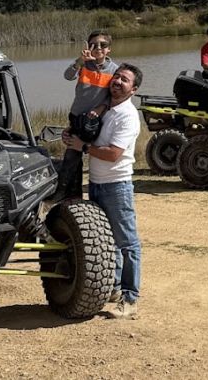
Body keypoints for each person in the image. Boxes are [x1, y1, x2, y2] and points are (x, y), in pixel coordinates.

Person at [62, 62, 143, 319]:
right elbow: (92, 135)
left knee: (127, 243)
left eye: (125, 80)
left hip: (117, 186)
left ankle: (130, 298)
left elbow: (113, 154)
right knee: (109, 241)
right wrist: (73, 135)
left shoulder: (128, 115)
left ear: (134, 89)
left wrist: (83, 147)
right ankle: (115, 288)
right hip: (97, 183)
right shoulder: (107, 109)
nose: (118, 82)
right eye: (116, 77)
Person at [56, 31, 117, 201]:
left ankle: (100, 195)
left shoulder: (114, 70)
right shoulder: (83, 65)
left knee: (98, 157)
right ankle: (71, 195)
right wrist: (80, 61)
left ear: (108, 49)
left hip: (98, 121)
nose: (98, 48)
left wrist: (101, 107)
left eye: (102, 45)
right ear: (88, 47)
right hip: (77, 117)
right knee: (71, 158)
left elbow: (114, 96)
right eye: (94, 44)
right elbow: (67, 76)